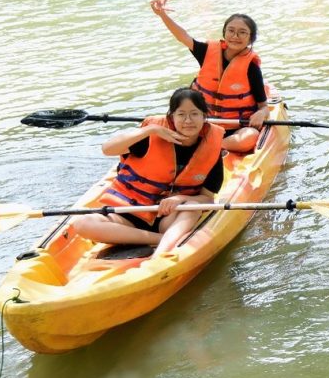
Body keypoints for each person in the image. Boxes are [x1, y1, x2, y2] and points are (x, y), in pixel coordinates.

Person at [68, 88, 224, 255]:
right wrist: (150, 130)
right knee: (82, 224)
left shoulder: (212, 148)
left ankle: (162, 253)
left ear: (204, 116)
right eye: (181, 114)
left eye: (194, 114)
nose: (188, 120)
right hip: (129, 214)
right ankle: (160, 240)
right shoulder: (150, 138)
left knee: (193, 206)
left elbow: (207, 199)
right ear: (171, 117)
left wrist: (181, 198)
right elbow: (107, 149)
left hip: (169, 217)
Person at [150, 0, 270, 152]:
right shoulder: (207, 51)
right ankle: (202, 143)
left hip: (235, 128)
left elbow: (264, 107)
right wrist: (162, 15)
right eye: (231, 31)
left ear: (250, 39)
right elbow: (183, 36)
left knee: (250, 136)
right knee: (160, 124)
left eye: (242, 33)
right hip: (201, 124)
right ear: (224, 33)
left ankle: (214, 146)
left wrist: (261, 114)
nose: (235, 36)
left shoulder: (251, 67)